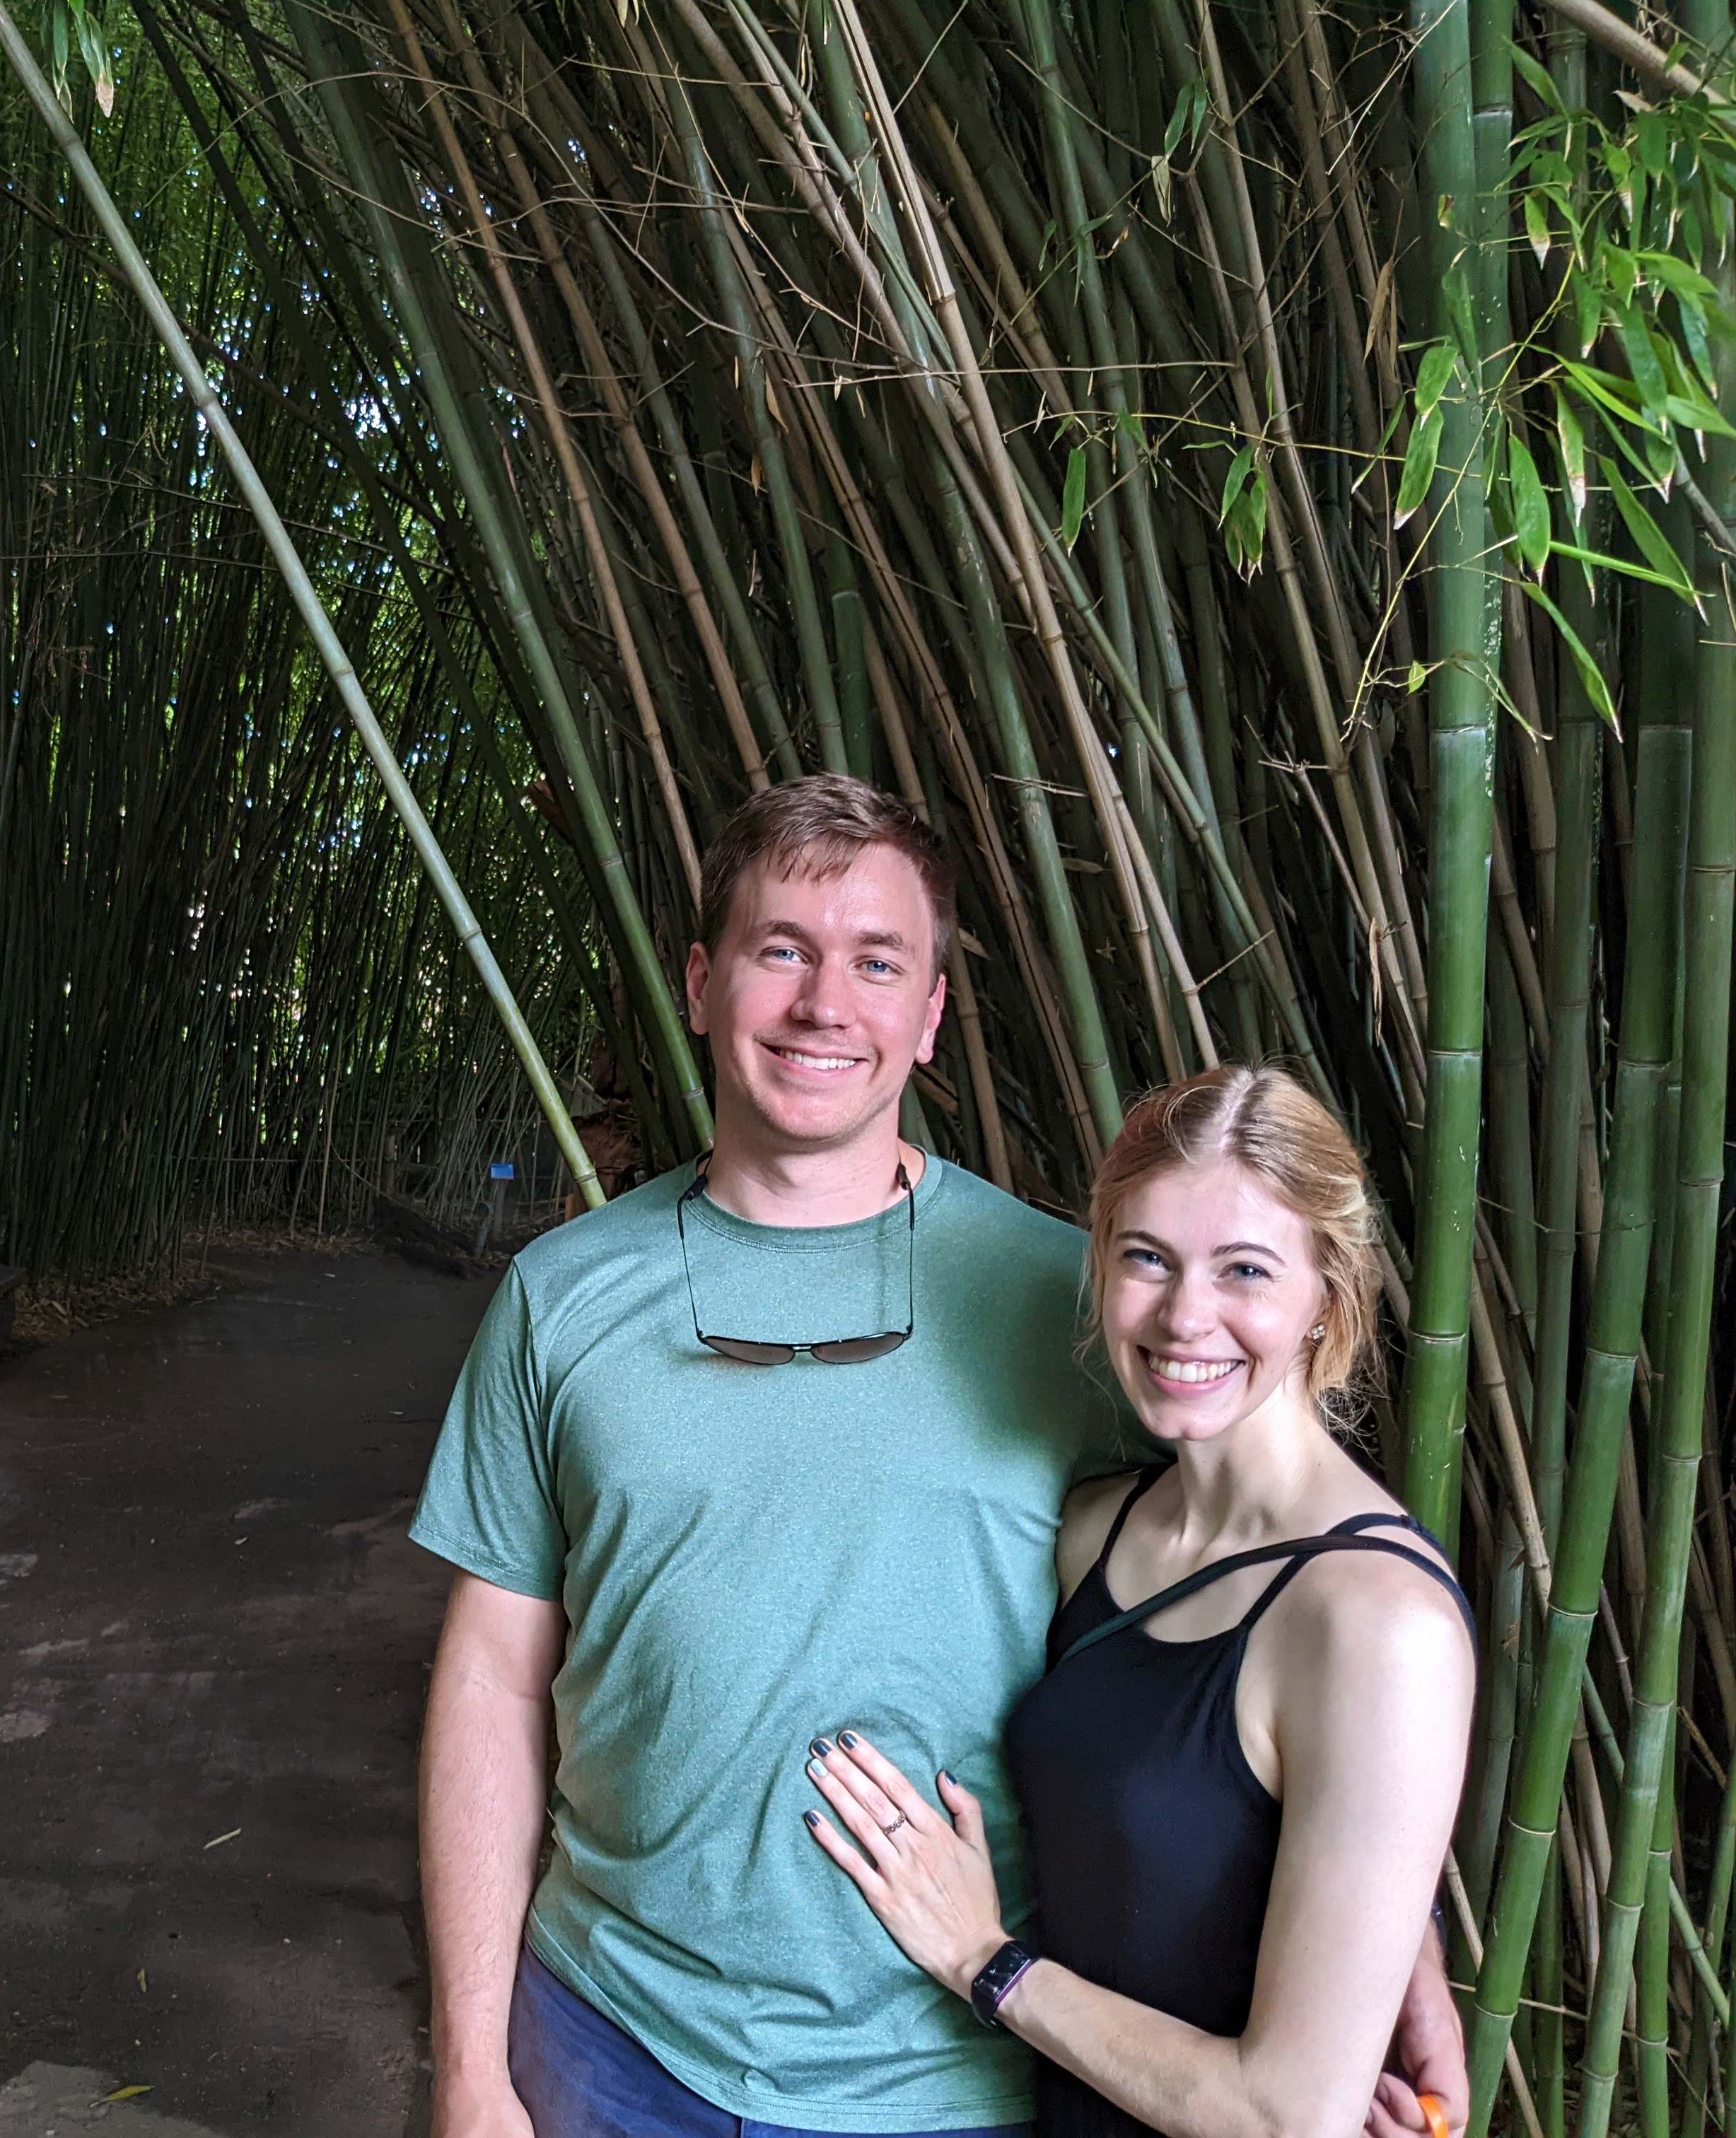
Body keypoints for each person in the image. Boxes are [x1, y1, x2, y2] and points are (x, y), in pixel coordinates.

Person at [411, 775, 1466, 2137]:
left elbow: (1263, 1587)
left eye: (876, 962)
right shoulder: (561, 1299)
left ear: (929, 1016)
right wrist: (469, 2069)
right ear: (701, 984)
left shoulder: (1088, 1306)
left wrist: (1393, 1936)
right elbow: (492, 1677)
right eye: (781, 950)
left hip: (955, 2077)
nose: (823, 1004)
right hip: (610, 2036)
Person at [803, 1065, 1475, 2138]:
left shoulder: (1378, 1625)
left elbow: (1286, 2117)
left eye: (1246, 1269)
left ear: (1328, 1296)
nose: (1185, 1316)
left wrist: (984, 1960)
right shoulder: (1096, 1530)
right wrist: (1403, 1942)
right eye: (1147, 1258)